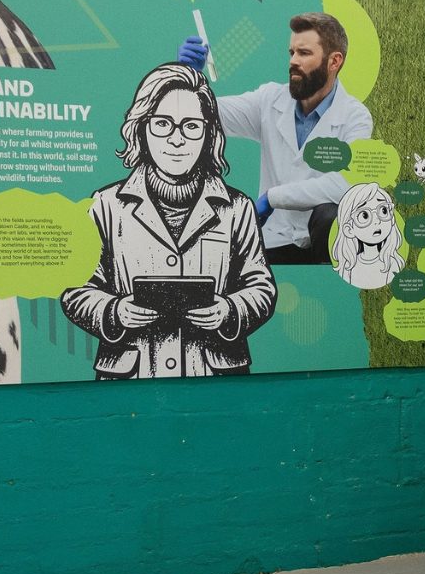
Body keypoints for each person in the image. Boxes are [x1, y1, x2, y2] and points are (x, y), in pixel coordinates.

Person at [63, 63, 276, 378]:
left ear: (209, 134)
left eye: (191, 126)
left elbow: (261, 287)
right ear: (141, 127)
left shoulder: (237, 208)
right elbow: (76, 289)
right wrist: (114, 312)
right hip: (130, 379)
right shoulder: (105, 206)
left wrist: (229, 311)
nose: (177, 139)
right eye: (162, 123)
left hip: (215, 377)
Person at [179, 13, 374, 264]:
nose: (293, 61)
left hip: (324, 245)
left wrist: (273, 198)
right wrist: (186, 78)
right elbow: (206, 117)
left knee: (330, 216)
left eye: (304, 53)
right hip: (273, 239)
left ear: (334, 61)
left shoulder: (355, 116)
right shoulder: (269, 100)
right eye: (291, 52)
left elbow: (346, 184)